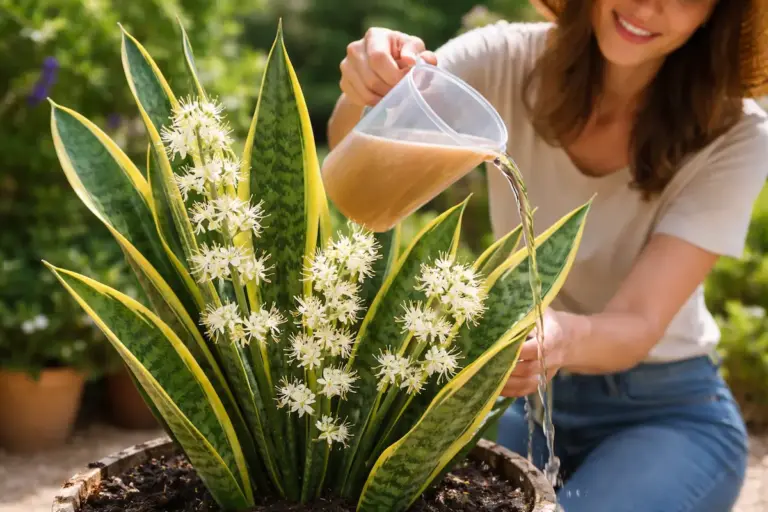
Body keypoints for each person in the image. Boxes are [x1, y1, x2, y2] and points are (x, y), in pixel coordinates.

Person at [327, 0, 768, 510]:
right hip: (519, 397)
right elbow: (357, 156)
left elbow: (639, 321)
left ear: (718, 13)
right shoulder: (503, 58)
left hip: (666, 407)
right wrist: (368, 86)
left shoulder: (737, 134)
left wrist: (557, 338)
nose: (649, 5)